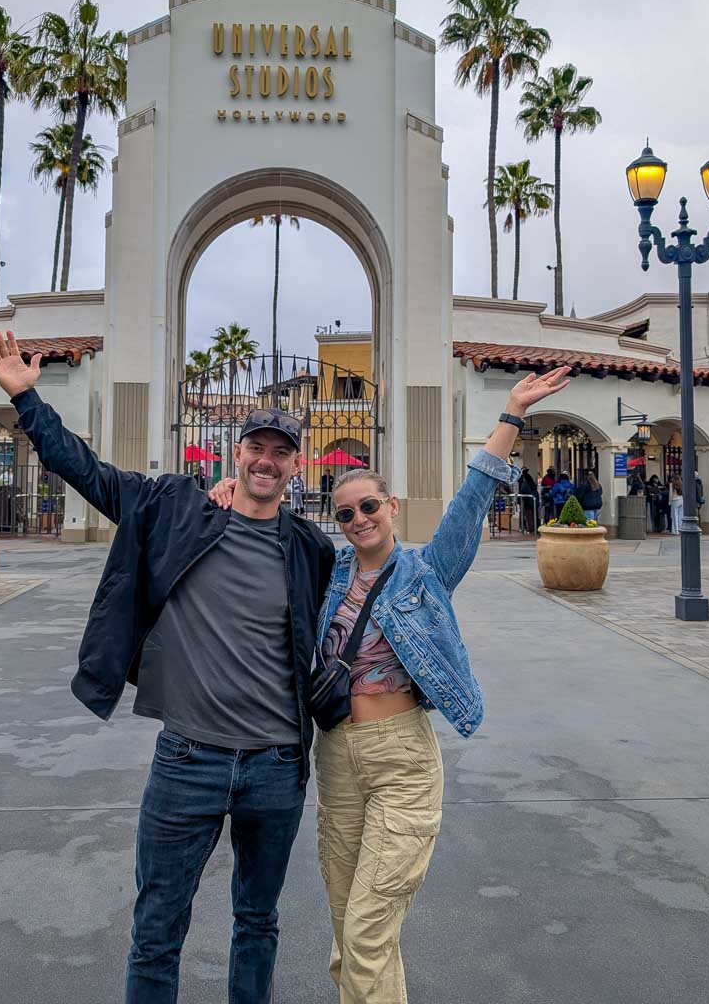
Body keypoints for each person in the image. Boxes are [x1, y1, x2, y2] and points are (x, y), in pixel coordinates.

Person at [0, 330, 335, 1004]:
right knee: (157, 930)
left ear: (297, 465)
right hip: (188, 761)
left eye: (281, 452)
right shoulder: (175, 510)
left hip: (276, 768)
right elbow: (88, 472)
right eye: (257, 447)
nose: (267, 460)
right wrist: (29, 400)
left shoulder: (309, 548)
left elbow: (362, 607)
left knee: (258, 923)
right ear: (239, 452)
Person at [211, 366, 572, 1002]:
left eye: (369, 507)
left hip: (403, 759)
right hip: (338, 758)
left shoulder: (427, 571)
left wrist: (511, 413)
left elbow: (468, 503)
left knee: (369, 930)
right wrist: (224, 491)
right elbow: (263, 536)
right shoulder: (326, 568)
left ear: (392, 507)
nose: (358, 519)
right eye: (346, 511)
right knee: (349, 930)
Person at [518, 467, 539, 533]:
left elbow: (521, 490)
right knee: (532, 513)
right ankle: (533, 527)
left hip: (526, 500)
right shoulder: (528, 479)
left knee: (527, 514)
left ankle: (529, 527)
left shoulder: (522, 479)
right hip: (531, 499)